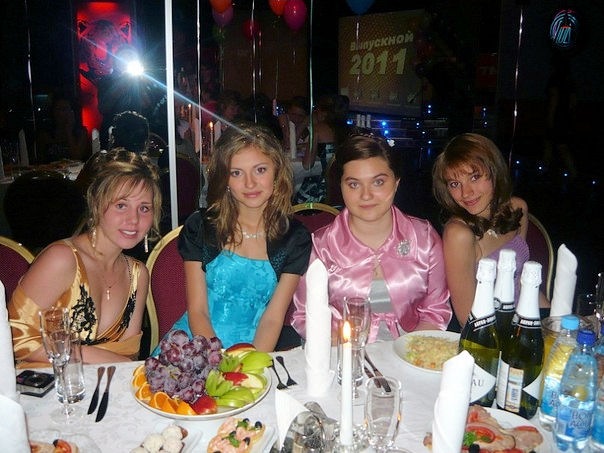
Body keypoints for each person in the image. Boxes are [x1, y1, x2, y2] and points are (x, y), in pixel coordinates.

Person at [157, 122, 312, 352]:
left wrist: (251, 364)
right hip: (195, 346)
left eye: (260, 170)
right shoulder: (202, 227)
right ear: (225, 179)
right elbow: (198, 311)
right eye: (236, 173)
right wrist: (219, 362)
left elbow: (272, 319)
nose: (250, 183)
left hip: (253, 350)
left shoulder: (294, 239)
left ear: (277, 172)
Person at [291, 133, 451, 342]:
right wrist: (348, 353)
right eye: (354, 184)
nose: (366, 195)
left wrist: (409, 353)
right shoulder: (322, 245)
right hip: (341, 349)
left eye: (378, 182)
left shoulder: (424, 238)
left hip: (412, 348)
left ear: (396, 183)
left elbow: (435, 310)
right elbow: (305, 315)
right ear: (341, 186)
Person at [9, 149, 162, 365]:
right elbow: (15, 338)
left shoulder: (138, 275)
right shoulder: (62, 259)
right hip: (46, 382)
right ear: (96, 204)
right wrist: (89, 355)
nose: (134, 219)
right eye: (121, 205)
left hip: (103, 384)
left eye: (144, 208)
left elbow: (128, 356)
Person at [432, 133, 548, 329]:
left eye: (474, 177)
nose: (466, 193)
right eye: (455, 184)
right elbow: (468, 320)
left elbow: (523, 283)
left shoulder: (517, 208)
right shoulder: (459, 234)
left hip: (523, 323)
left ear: (494, 171)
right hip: (486, 335)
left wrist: (554, 322)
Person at [36, 93, 91, 163]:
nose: (60, 113)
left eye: (64, 109)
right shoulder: (45, 134)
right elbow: (40, 161)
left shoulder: (81, 132)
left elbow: (77, 157)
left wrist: (69, 131)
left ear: (72, 111)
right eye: (58, 109)